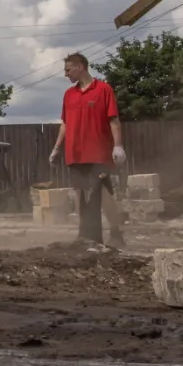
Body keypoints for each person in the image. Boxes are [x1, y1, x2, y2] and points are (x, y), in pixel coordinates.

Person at [50, 52, 126, 247]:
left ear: (80, 67)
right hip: (75, 152)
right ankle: (84, 233)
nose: (66, 74)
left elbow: (113, 120)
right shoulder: (69, 95)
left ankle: (116, 232)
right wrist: (57, 148)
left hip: (99, 152)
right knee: (78, 191)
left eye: (68, 70)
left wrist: (117, 146)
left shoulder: (103, 90)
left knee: (104, 192)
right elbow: (65, 124)